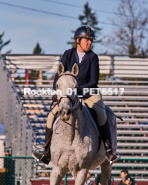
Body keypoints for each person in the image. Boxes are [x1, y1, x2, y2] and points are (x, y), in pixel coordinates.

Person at [32, 26, 119, 165]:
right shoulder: (68, 54)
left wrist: (77, 91)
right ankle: (46, 152)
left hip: (89, 93)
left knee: (102, 114)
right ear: (78, 40)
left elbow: (93, 81)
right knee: (50, 116)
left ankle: (109, 151)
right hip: (68, 95)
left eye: (91, 40)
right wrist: (57, 91)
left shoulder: (93, 57)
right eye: (87, 40)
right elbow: (59, 75)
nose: (90, 42)